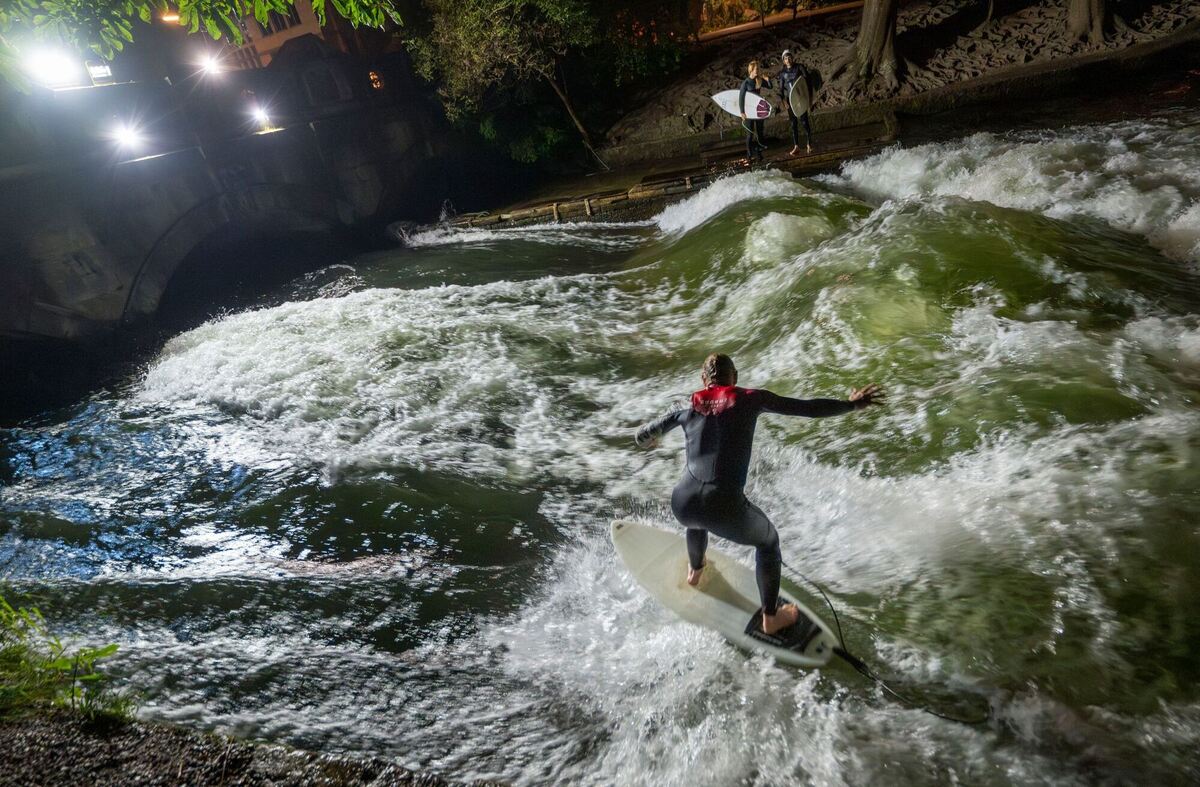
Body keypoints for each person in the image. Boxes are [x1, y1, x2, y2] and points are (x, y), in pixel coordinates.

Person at [634, 354, 883, 636]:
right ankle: (771, 618)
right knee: (768, 542)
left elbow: (642, 437)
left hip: (682, 504)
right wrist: (852, 405)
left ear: (704, 380)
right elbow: (808, 408)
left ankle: (695, 571)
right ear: (735, 377)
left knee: (697, 521)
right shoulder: (750, 399)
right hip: (725, 508)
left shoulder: (686, 406)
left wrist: (651, 440)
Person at [777, 49, 814, 156]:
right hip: (790, 101)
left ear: (792, 58)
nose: (788, 60)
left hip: (801, 98)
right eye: (785, 58)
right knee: (793, 124)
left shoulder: (799, 67)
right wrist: (784, 102)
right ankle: (796, 146)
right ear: (783, 61)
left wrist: (810, 98)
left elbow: (808, 83)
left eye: (789, 57)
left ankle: (809, 144)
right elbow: (780, 91)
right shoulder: (782, 73)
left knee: (804, 122)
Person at [738, 60, 771, 164]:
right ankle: (749, 154)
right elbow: (741, 98)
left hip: (758, 110)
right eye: (756, 69)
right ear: (751, 70)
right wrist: (742, 112)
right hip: (749, 112)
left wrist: (768, 80)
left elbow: (770, 87)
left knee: (760, 132)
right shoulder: (746, 83)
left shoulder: (759, 80)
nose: (758, 70)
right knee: (750, 134)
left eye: (758, 69)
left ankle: (759, 153)